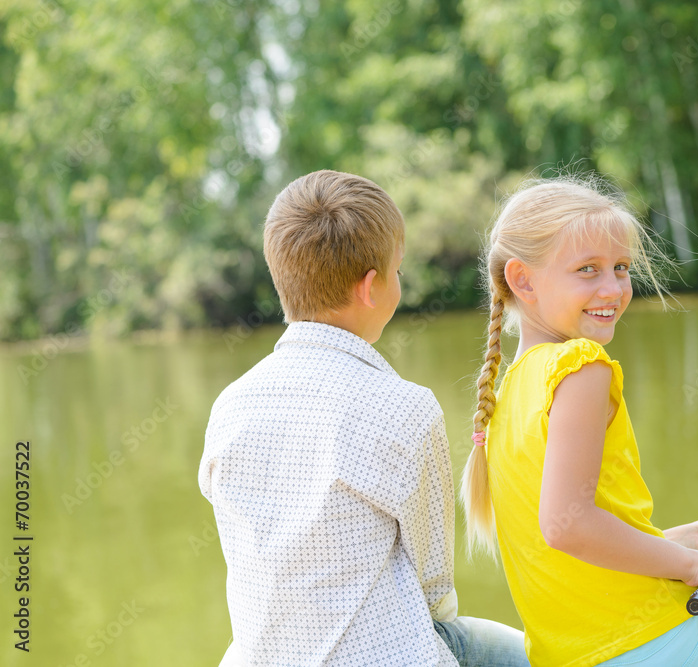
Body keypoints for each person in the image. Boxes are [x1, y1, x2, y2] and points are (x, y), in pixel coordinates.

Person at [459, 176, 698, 667]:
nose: (613, 288)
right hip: (644, 647)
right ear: (523, 280)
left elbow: (565, 542)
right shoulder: (579, 365)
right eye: (587, 269)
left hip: (569, 657)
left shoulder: (507, 390)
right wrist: (691, 565)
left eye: (620, 267)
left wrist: (684, 541)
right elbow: (568, 527)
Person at [199, 170, 528, 667]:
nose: (399, 281)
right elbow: (434, 588)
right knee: (536, 653)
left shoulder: (229, 406)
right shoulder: (404, 408)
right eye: (398, 270)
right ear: (371, 288)